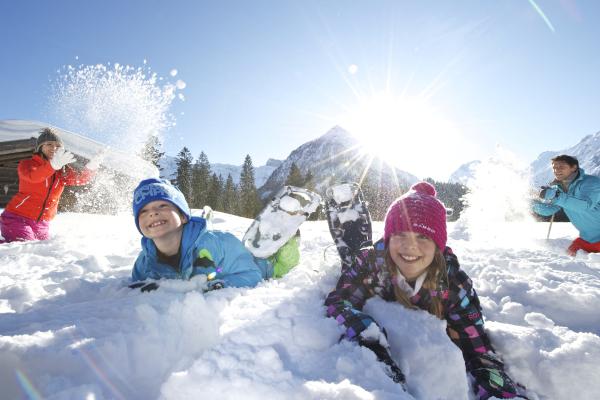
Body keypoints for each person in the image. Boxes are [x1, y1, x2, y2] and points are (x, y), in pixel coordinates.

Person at [324, 182, 526, 399]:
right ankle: (353, 246)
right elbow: (339, 302)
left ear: (438, 244)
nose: (410, 246)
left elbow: (477, 348)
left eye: (423, 236)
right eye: (400, 234)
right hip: (369, 266)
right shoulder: (371, 263)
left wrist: (498, 390)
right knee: (355, 266)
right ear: (388, 237)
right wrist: (369, 337)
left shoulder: (453, 285)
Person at [130, 178, 300, 291]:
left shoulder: (216, 244)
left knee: (282, 260)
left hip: (258, 265)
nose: (152, 213)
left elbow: (252, 275)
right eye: (143, 211)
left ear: (183, 216)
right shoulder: (145, 262)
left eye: (162, 206)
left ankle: (286, 239)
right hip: (233, 262)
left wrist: (219, 286)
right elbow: (137, 283)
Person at [0, 127, 100, 243]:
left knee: (43, 249)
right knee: (26, 247)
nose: (54, 148)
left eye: (57, 146)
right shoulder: (27, 164)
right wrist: (52, 166)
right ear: (40, 147)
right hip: (17, 218)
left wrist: (91, 167)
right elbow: (34, 177)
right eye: (49, 144)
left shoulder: (62, 170)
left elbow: (79, 179)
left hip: (42, 222)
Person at [533, 154, 600, 256]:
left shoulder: (591, 183)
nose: (557, 170)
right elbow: (548, 210)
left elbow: (584, 205)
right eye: (554, 168)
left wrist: (556, 196)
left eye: (561, 167)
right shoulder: (558, 189)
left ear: (574, 168)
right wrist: (531, 204)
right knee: (568, 264)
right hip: (587, 240)